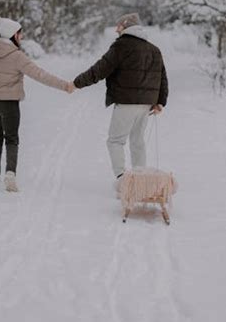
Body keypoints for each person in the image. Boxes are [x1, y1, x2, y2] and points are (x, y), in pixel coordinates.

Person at [0, 17, 74, 192]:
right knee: (11, 139)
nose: (21, 37)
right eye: (20, 33)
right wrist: (65, 85)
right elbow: (40, 74)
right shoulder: (16, 56)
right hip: (8, 105)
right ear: (13, 35)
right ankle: (10, 173)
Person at [72, 13, 168, 192]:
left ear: (126, 26)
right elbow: (163, 77)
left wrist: (76, 83)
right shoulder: (154, 49)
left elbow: (99, 70)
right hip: (146, 104)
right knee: (137, 141)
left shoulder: (121, 46)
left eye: (118, 26)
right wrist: (160, 102)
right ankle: (140, 180)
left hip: (126, 102)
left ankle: (123, 180)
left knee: (115, 141)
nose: (116, 30)